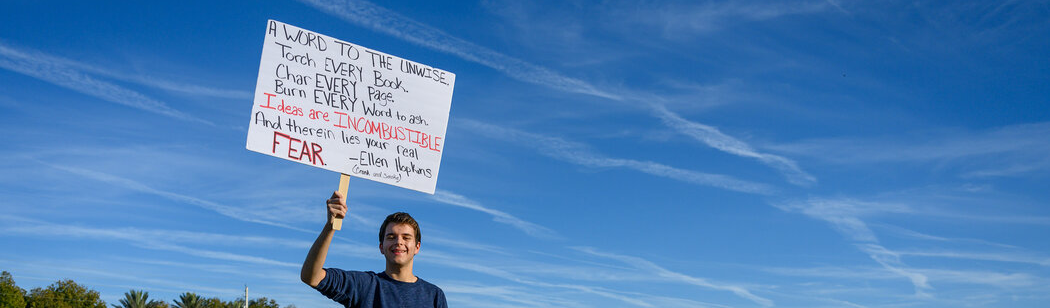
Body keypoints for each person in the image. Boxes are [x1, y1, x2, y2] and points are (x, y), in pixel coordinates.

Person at [301, 191, 448, 308]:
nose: (398, 242)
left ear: (417, 247)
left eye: (406, 237)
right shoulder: (364, 286)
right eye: (391, 237)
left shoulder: (434, 296)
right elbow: (311, 277)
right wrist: (330, 226)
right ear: (381, 247)